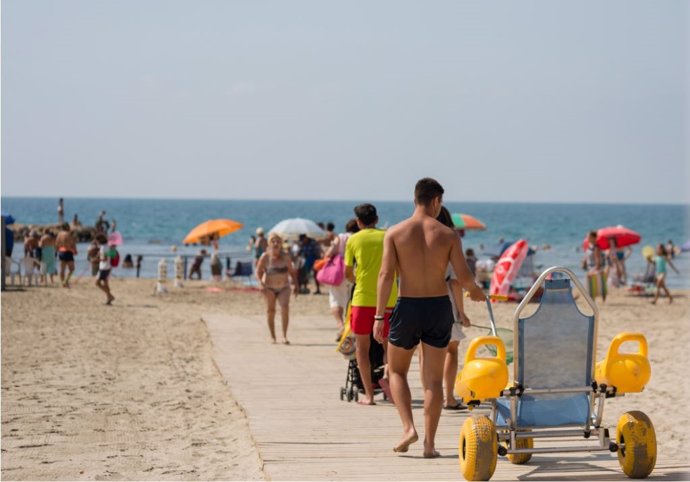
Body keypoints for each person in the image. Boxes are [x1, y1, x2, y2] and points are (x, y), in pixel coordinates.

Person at [374, 178, 484, 458]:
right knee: (433, 381)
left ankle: (408, 427)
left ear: (415, 199)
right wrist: (475, 292)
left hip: (407, 306)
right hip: (438, 308)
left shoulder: (395, 233)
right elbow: (463, 277)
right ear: (436, 201)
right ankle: (429, 445)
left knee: (396, 371)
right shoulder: (448, 235)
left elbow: (386, 276)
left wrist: (378, 316)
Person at [344, 203, 397, 406]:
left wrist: (358, 278)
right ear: (376, 219)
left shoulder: (353, 240)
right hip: (389, 298)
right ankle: (389, 381)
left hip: (362, 299)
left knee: (362, 349)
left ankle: (369, 395)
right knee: (389, 347)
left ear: (358, 222)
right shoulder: (387, 236)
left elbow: (348, 272)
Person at [255, 232, 299, 344]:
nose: (275, 243)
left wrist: (296, 285)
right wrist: (261, 282)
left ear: (281, 244)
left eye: (278, 241)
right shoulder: (265, 257)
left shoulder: (285, 257)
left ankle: (284, 336)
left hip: (284, 287)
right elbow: (258, 271)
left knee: (285, 308)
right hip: (269, 288)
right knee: (271, 311)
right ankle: (273, 336)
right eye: (273, 241)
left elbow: (292, 273)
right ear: (269, 243)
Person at [325, 219, 359, 340]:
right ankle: (350, 327)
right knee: (351, 301)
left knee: (335, 299)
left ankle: (341, 326)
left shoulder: (341, 237)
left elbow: (329, 253)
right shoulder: (358, 237)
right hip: (355, 272)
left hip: (340, 272)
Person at [583, 231, 607, 302]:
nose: (587, 238)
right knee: (593, 283)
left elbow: (597, 259)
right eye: (587, 237)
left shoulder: (596, 247)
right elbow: (587, 256)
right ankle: (593, 300)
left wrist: (596, 269)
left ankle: (601, 299)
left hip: (595, 267)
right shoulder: (589, 246)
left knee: (597, 283)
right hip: (590, 267)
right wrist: (584, 261)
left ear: (594, 238)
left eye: (589, 237)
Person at [55, 223, 77, 287]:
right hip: (68, 251)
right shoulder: (68, 234)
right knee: (72, 269)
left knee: (62, 269)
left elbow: (56, 244)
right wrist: (73, 250)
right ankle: (65, 281)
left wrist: (57, 251)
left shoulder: (59, 234)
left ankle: (63, 283)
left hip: (61, 251)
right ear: (67, 227)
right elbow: (69, 244)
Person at [95, 235, 115, 305]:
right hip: (108, 266)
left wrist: (96, 260)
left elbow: (105, 259)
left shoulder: (103, 247)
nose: (95, 242)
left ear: (99, 240)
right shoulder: (107, 246)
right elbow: (110, 255)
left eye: (96, 240)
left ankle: (110, 295)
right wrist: (99, 254)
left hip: (104, 267)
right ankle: (108, 299)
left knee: (97, 283)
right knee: (106, 283)